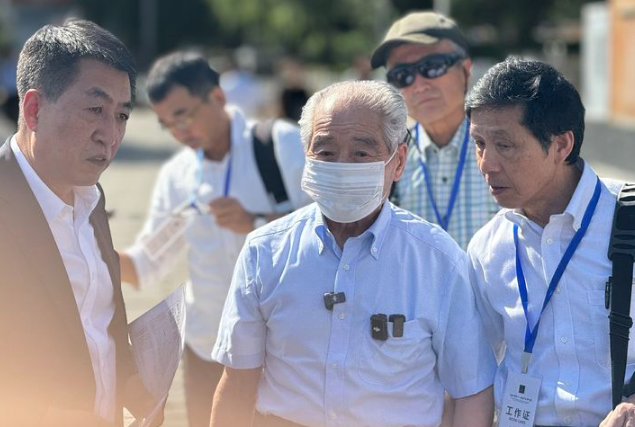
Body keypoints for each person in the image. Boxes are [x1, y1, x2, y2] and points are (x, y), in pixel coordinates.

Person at [210, 80, 496, 427]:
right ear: (307, 159)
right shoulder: (264, 252)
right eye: (326, 152)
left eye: (362, 152)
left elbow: (471, 392)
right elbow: (237, 383)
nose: (343, 166)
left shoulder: (438, 262)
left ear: (399, 162)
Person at [118, 51, 310, 427]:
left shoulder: (279, 144)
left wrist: (256, 221)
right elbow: (146, 264)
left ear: (218, 99)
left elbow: (333, 226)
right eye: (166, 124)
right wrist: (83, 249)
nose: (178, 132)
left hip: (283, 351)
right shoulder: (178, 174)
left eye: (183, 115)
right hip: (207, 350)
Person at [0, 19, 157, 426]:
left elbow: (96, 322)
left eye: (122, 115)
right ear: (34, 109)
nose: (110, 135)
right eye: (95, 110)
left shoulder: (91, 196)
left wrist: (130, 383)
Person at [467, 57, 635, 427]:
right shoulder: (486, 247)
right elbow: (470, 373)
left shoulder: (628, 219)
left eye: (504, 145)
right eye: (479, 143)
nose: (486, 164)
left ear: (561, 145)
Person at [371, 11, 498, 249]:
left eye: (432, 67)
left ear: (465, 70)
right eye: (402, 75)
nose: (419, 84)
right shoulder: (388, 162)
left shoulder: (506, 148)